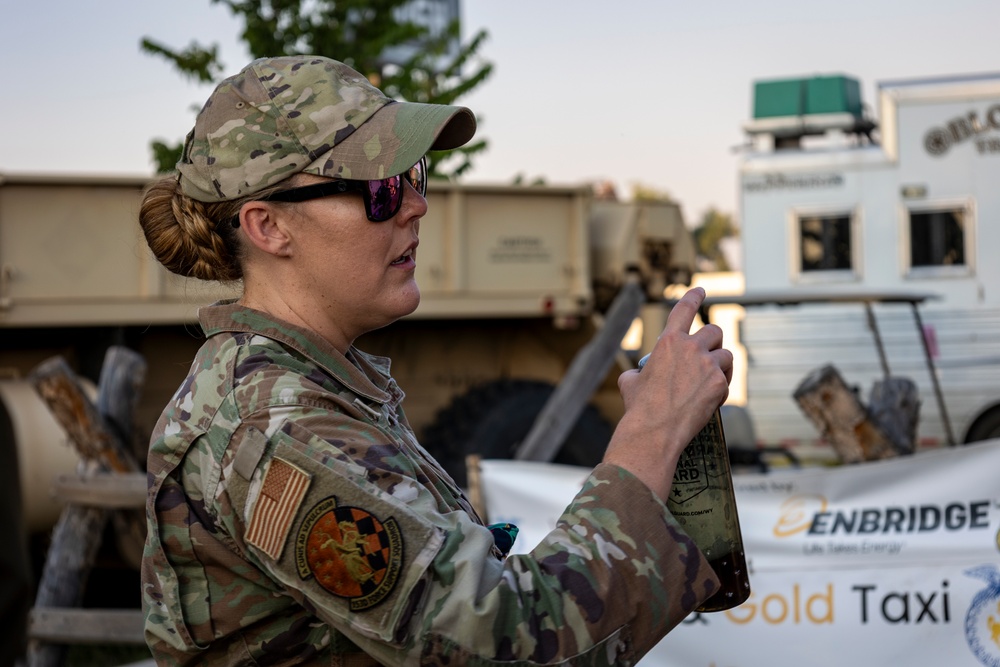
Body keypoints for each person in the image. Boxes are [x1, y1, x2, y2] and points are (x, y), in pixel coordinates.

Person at [140, 54, 733, 666]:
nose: (414, 205)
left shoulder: (314, 390)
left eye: (413, 175)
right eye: (379, 189)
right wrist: (648, 440)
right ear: (268, 227)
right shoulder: (275, 428)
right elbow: (512, 644)